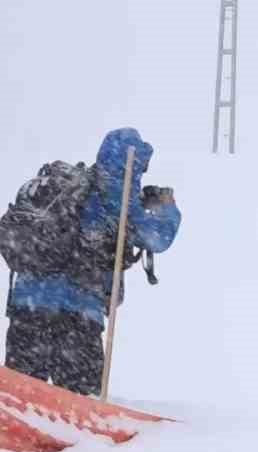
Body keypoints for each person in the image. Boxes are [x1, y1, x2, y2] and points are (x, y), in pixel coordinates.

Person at [3, 128, 182, 395]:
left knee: (20, 395)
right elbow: (157, 238)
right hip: (77, 314)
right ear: (134, 162)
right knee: (77, 398)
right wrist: (167, 206)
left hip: (28, 305)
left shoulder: (71, 188)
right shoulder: (117, 197)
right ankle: (78, 436)